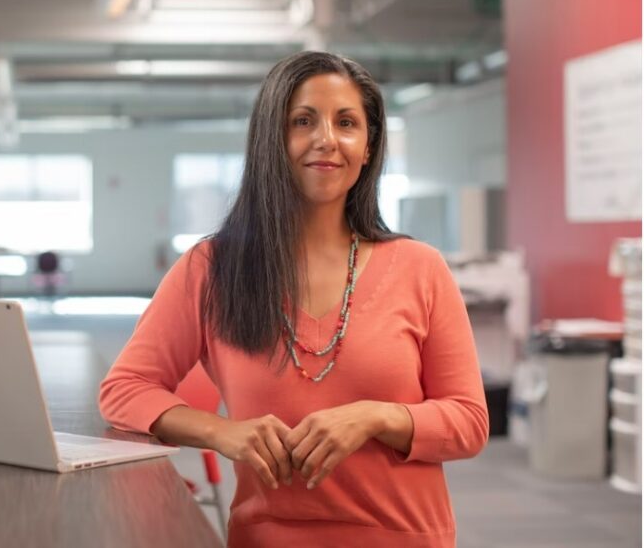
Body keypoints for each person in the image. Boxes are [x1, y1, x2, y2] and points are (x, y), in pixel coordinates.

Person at [98, 51, 488, 547]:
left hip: (403, 536)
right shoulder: (212, 268)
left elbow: (470, 421)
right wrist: (221, 432)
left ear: (368, 147)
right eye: (303, 121)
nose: (327, 138)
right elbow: (126, 389)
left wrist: (376, 416)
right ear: (273, 141)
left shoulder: (421, 267)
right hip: (267, 538)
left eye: (347, 122)